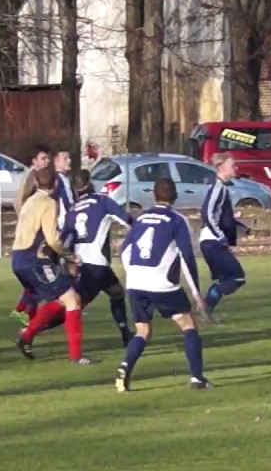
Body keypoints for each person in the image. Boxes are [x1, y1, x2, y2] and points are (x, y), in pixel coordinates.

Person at [116, 177, 210, 392]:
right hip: (162, 283)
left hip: (136, 282)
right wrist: (196, 295)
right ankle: (197, 379)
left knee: (142, 330)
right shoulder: (178, 220)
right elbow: (187, 257)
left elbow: (124, 251)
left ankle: (124, 367)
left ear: (153, 196)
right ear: (175, 196)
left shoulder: (141, 218)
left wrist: (134, 274)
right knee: (188, 325)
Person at [12, 167, 91, 364]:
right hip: (34, 259)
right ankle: (76, 356)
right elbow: (53, 239)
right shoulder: (48, 203)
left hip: (18, 259)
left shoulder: (29, 201)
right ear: (55, 183)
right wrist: (70, 256)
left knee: (64, 299)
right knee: (73, 300)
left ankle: (26, 334)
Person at [68, 169, 134, 344]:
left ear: (75, 189)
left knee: (117, 292)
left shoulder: (72, 210)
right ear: (91, 183)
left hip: (83, 262)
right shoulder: (102, 202)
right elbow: (127, 220)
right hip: (95, 263)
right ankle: (31, 330)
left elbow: (65, 238)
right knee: (73, 306)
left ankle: (125, 332)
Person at [199, 152, 249, 319]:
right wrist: (220, 236)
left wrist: (240, 226)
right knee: (237, 277)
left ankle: (205, 311)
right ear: (221, 168)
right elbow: (207, 213)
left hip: (211, 242)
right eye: (233, 165)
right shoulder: (218, 188)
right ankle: (205, 306)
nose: (236, 168)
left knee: (227, 278)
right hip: (212, 242)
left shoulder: (222, 188)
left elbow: (222, 217)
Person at [11, 144, 52, 325]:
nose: (46, 162)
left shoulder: (45, 177)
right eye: (43, 158)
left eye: (47, 158)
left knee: (34, 284)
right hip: (33, 239)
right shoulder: (32, 178)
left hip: (37, 237)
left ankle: (24, 312)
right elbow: (21, 201)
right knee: (40, 281)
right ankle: (26, 314)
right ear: (34, 161)